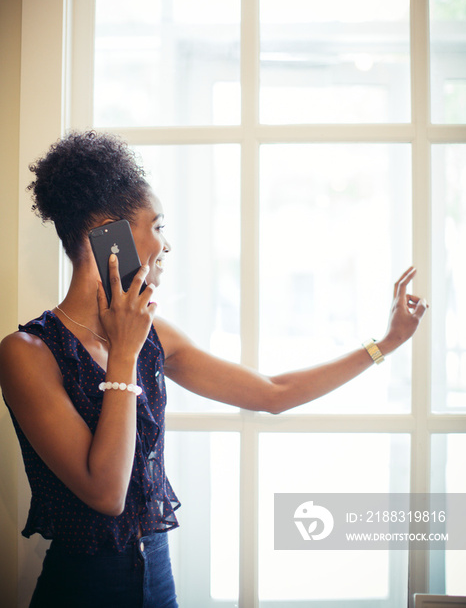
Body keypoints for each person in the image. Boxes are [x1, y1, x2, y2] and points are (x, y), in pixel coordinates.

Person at [0, 131, 428, 608]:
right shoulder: (28, 352)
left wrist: (385, 343)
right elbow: (106, 494)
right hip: (80, 589)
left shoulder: (155, 335)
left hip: (158, 580)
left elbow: (273, 392)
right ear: (108, 232)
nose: (167, 245)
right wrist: (124, 354)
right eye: (158, 226)